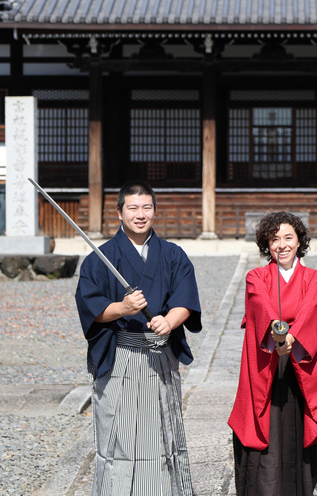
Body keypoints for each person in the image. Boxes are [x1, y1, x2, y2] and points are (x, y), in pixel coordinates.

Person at [75, 180, 202, 496]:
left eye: (147, 207)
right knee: (118, 437)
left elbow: (186, 300)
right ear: (119, 212)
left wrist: (168, 321)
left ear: (155, 212)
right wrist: (122, 307)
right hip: (121, 358)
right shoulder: (100, 258)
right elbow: (91, 308)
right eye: (133, 207)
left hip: (159, 356)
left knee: (162, 435)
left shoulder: (173, 255)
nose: (140, 214)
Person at [229, 211, 317, 496]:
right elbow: (262, 305)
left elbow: (310, 311)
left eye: (288, 238)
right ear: (266, 245)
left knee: (297, 426)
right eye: (274, 239)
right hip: (268, 359)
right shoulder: (256, 276)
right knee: (266, 426)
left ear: (299, 241)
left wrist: (291, 337)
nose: (281, 245)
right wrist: (278, 333)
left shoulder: (314, 277)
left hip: (300, 361)